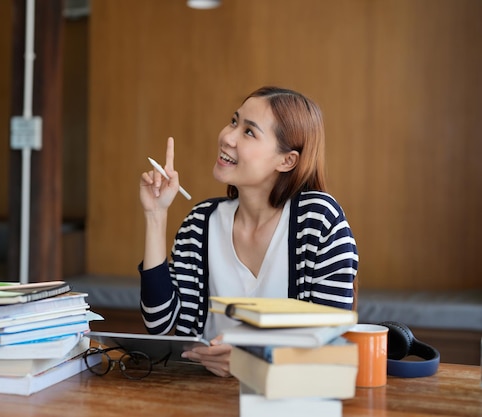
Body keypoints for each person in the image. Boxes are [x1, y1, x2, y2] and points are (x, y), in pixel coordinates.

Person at [138, 86, 358, 377]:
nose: (227, 137)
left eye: (249, 132)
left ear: (286, 160)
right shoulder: (200, 222)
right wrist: (156, 216)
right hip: (204, 396)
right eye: (233, 121)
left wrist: (252, 360)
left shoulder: (318, 220)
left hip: (286, 399)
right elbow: (160, 322)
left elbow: (333, 343)